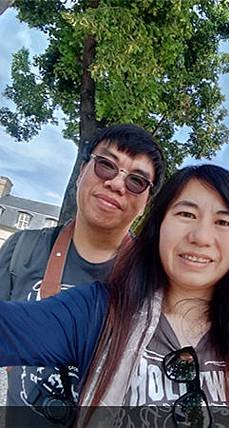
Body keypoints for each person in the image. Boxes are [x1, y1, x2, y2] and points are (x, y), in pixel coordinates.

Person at [0, 165, 229, 427]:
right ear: (158, 226)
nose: (201, 237)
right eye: (186, 214)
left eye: (224, 222)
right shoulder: (98, 312)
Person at [0, 124, 165, 426]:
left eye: (137, 181)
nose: (117, 184)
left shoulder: (157, 282)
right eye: (106, 165)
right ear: (81, 171)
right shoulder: (21, 249)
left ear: (145, 204)